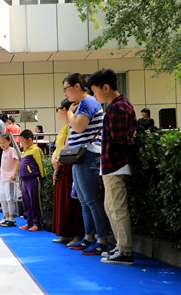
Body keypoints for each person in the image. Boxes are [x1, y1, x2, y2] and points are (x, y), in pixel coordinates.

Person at [88, 68, 137, 265]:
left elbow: (120, 140)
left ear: (105, 87)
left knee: (117, 209)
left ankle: (125, 251)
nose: (94, 95)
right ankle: (121, 247)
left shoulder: (117, 107)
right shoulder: (119, 105)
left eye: (95, 91)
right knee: (111, 208)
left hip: (115, 165)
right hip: (112, 166)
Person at [63, 73, 112, 254]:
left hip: (88, 156)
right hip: (80, 157)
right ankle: (89, 237)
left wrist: (69, 113)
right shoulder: (81, 105)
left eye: (66, 89)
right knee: (85, 201)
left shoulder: (89, 103)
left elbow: (78, 127)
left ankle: (102, 239)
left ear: (77, 86)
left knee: (92, 200)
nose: (65, 94)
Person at [51, 98, 85, 245]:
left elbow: (68, 146)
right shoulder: (64, 128)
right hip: (61, 166)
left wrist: (58, 161)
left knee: (71, 201)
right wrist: (54, 160)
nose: (58, 111)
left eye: (59, 108)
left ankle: (76, 234)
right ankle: (65, 232)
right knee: (62, 201)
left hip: (68, 165)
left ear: (64, 110)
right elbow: (58, 147)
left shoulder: (72, 126)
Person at [18, 129, 46, 231]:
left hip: (34, 179)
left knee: (35, 201)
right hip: (25, 180)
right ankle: (29, 222)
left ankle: (37, 223)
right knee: (26, 202)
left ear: (29, 140)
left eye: (22, 141)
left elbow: (40, 164)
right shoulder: (25, 152)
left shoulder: (35, 150)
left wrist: (42, 177)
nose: (21, 143)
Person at [0, 134, 20, 227]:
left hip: (10, 178)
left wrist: (14, 173)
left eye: (4, 142)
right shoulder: (3, 151)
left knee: (10, 199)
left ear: (9, 141)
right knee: (2, 199)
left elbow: (16, 161)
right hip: (2, 178)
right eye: (0, 143)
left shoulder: (11, 150)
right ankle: (6, 217)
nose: (2, 144)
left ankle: (12, 219)